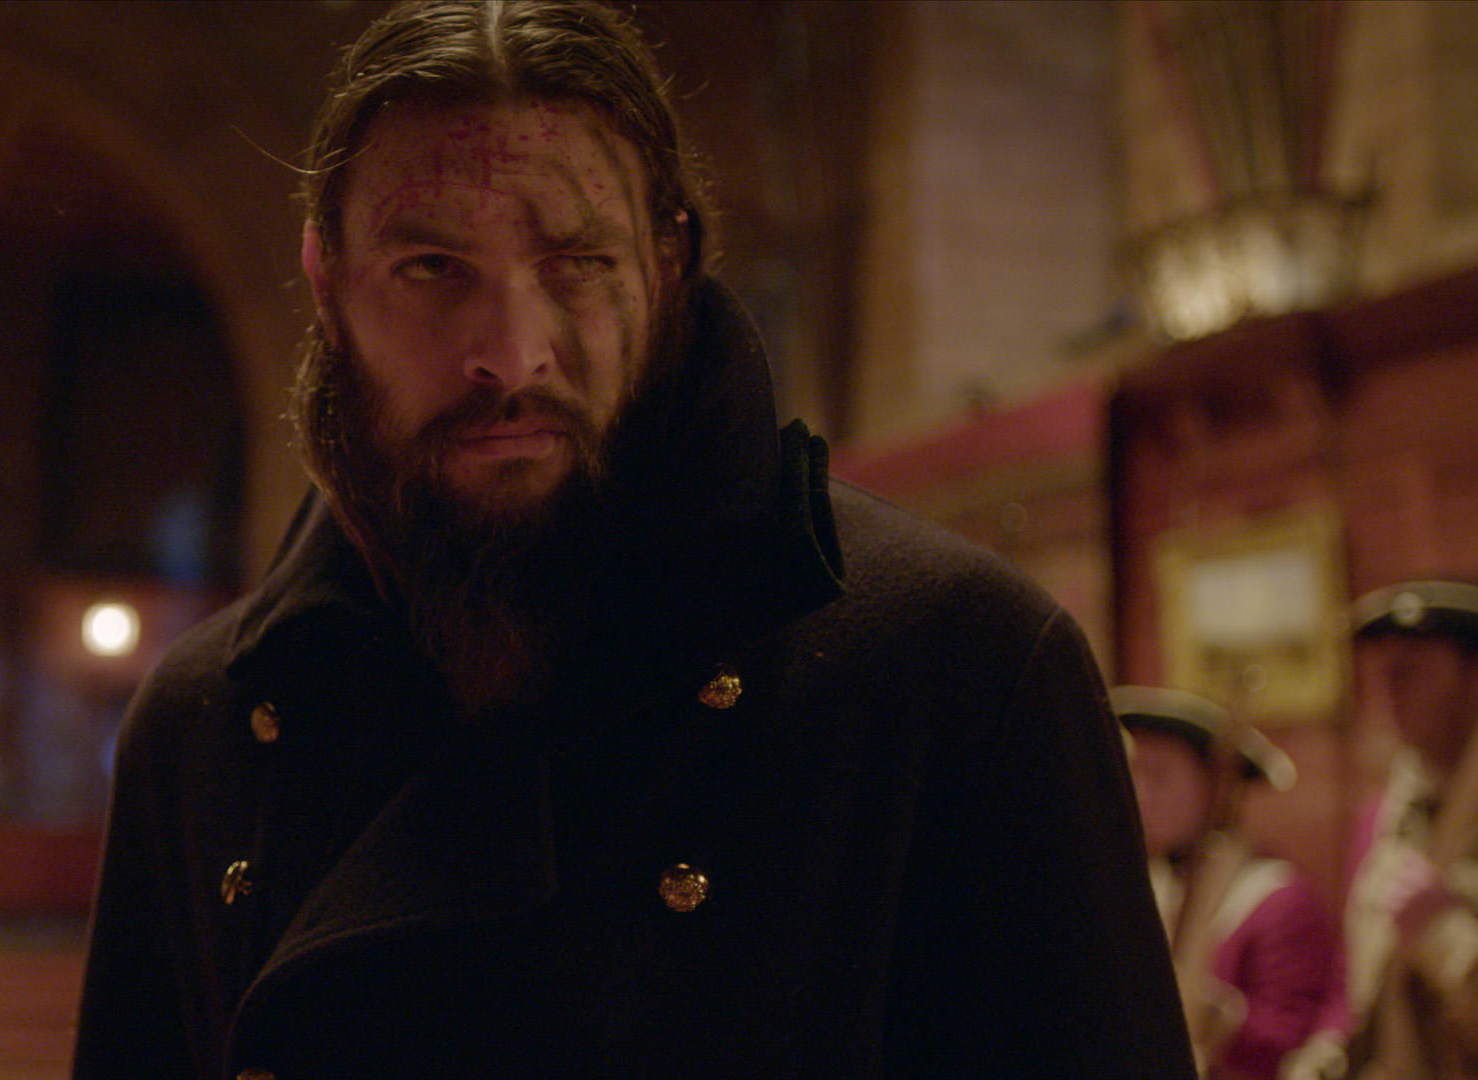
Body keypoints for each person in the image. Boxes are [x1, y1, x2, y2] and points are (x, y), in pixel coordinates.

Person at [72, 2, 1195, 1076]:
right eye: (431, 268)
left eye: (577, 263)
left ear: (667, 268)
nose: (511, 353)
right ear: (328, 282)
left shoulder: (961, 669)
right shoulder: (207, 718)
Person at [1283, 580, 1478, 1080]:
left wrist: (1447, 937)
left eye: (1413, 671)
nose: (1390, 693)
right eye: (1384, 673)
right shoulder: (1384, 816)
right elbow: (1353, 982)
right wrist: (1327, 1051)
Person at [1113, 685, 1337, 1079]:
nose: (1141, 795)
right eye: (1134, 775)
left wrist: (1221, 1022)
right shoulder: (1146, 887)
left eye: (1159, 776)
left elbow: (1292, 1045)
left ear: (1214, 787)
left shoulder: (1279, 902)